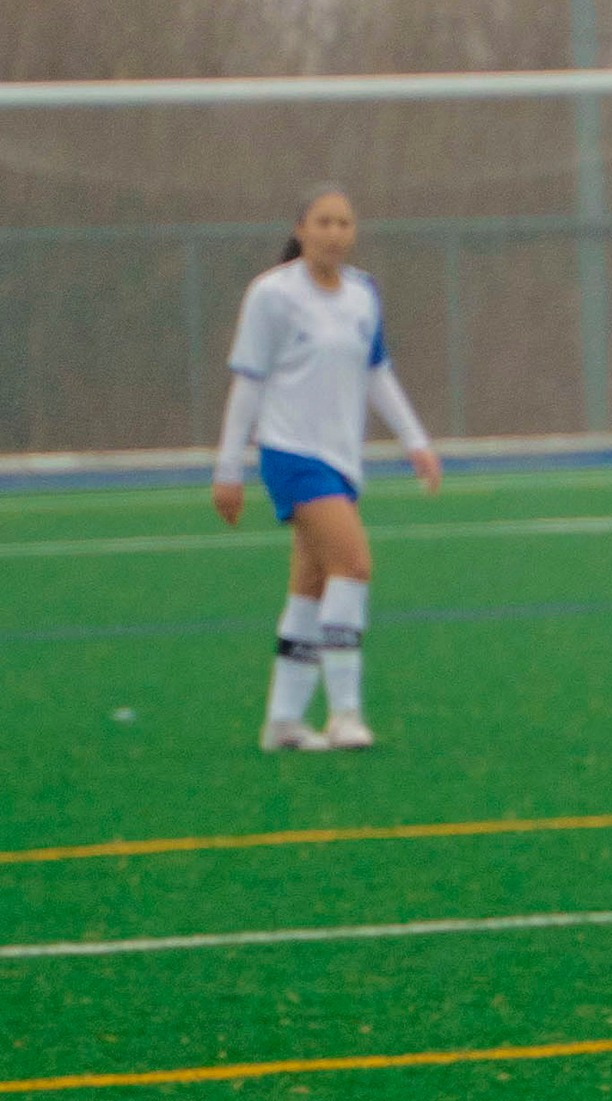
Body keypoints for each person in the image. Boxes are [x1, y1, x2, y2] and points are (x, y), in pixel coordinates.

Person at [211, 187, 440, 752]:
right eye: (323, 221)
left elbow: (376, 372)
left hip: (342, 461)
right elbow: (248, 381)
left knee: (311, 585)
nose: (335, 232)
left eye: (344, 222)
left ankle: (284, 722)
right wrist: (227, 468)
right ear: (302, 229)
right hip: (290, 454)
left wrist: (415, 441)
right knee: (354, 565)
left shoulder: (362, 293)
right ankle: (344, 713)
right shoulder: (272, 295)